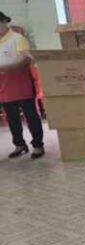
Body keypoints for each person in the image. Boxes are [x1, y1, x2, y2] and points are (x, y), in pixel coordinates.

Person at [0, 11, 44, 159]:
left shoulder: (18, 39)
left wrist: (3, 68)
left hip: (21, 84)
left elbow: (24, 60)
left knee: (31, 116)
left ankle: (38, 145)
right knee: (12, 118)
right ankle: (19, 144)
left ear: (3, 22)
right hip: (4, 86)